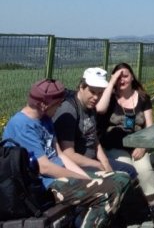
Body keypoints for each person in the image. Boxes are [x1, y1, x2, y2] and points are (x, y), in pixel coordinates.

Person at [2, 78, 131, 228]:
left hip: (62, 176)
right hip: (46, 184)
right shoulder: (22, 125)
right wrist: (81, 178)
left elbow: (61, 155)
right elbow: (44, 167)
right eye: (57, 104)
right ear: (44, 105)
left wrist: (85, 177)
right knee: (109, 190)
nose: (59, 107)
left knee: (122, 178)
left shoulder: (45, 119)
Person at [96, 62, 154, 227]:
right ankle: (119, 209)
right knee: (126, 171)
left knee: (145, 169)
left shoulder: (143, 98)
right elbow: (99, 109)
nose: (122, 80)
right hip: (114, 147)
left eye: (125, 76)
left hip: (138, 146)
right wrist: (111, 83)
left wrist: (143, 146)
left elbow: (150, 127)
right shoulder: (109, 98)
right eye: (118, 77)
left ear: (132, 77)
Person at [53, 67, 135, 178]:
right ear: (82, 87)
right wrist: (97, 164)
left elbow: (93, 137)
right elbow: (68, 154)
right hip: (78, 165)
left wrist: (105, 162)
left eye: (100, 93)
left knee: (130, 171)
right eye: (92, 92)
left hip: (92, 159)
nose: (96, 97)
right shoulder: (69, 110)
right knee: (119, 179)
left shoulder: (90, 106)